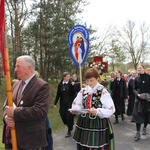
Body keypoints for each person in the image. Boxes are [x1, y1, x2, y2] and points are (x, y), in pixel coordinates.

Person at [2, 55, 51, 149]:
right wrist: (6, 117)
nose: (15, 69)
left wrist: (15, 112)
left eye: (18, 66)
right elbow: (7, 104)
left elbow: (40, 111)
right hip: (13, 139)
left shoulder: (42, 86)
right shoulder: (16, 85)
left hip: (31, 141)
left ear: (28, 68)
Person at [70, 67, 115, 150]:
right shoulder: (83, 90)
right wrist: (75, 109)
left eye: (91, 80)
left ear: (97, 79)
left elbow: (111, 109)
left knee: (96, 146)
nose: (89, 83)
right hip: (84, 122)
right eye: (87, 81)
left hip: (98, 122)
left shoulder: (102, 91)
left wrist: (97, 111)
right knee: (83, 146)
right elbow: (77, 103)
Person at [132, 64, 150, 141]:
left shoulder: (149, 77)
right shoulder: (136, 78)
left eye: (140, 68)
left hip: (147, 100)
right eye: (138, 68)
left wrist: (148, 95)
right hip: (138, 100)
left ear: (144, 69)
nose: (139, 69)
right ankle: (138, 132)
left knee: (146, 115)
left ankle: (145, 128)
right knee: (137, 116)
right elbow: (134, 89)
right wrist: (137, 94)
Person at [54, 72, 75, 138]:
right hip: (63, 102)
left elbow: (73, 93)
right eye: (67, 76)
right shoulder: (60, 85)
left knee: (68, 115)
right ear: (64, 77)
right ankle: (69, 124)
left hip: (69, 102)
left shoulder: (70, 84)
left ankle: (69, 130)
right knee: (62, 113)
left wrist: (73, 86)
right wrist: (55, 103)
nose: (69, 78)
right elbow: (58, 94)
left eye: (69, 76)